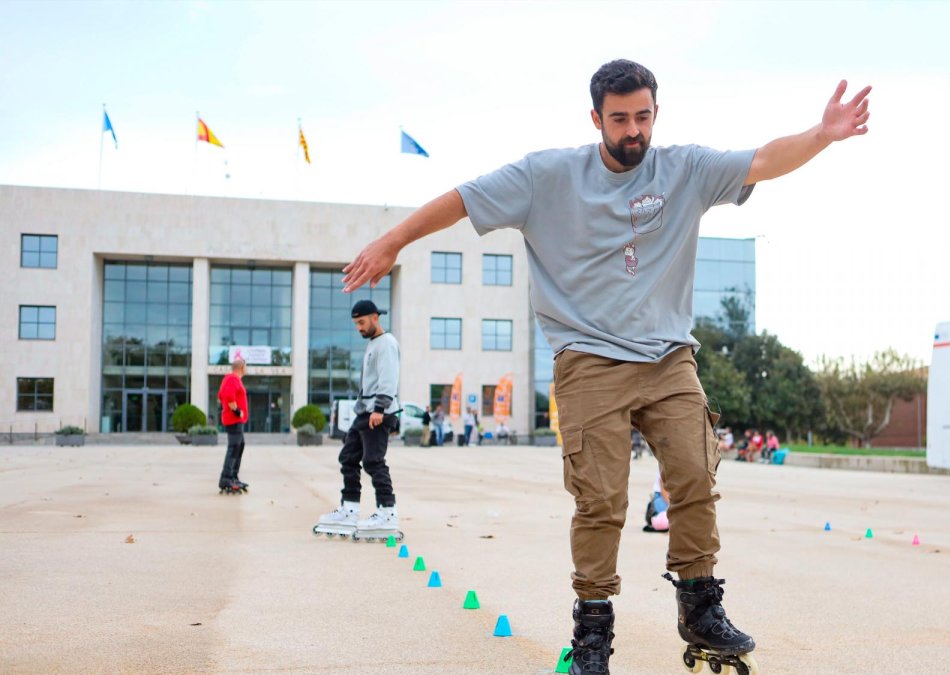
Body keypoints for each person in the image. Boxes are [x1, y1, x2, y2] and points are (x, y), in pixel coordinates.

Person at [341, 58, 870, 673]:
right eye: (619, 119)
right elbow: (462, 199)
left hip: (669, 357)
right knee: (602, 502)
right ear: (596, 119)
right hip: (588, 360)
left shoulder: (687, 169)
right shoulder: (548, 175)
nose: (633, 131)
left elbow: (760, 161)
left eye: (642, 117)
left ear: (655, 113)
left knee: (696, 472)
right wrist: (393, 241)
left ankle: (699, 604)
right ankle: (593, 630)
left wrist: (821, 135)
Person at [312, 300, 403, 543]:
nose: (359, 328)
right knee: (348, 457)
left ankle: (388, 512)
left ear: (375, 317)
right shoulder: (374, 344)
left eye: (362, 322)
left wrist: (380, 408)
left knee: (373, 461)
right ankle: (349, 509)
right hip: (365, 411)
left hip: (378, 412)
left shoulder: (387, 343)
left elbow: (389, 377)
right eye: (356, 324)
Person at [216, 358, 249, 494]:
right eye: (246, 367)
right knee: (234, 448)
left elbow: (220, 396)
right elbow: (228, 396)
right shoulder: (232, 379)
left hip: (236, 421)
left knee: (239, 446)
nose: (246, 369)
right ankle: (226, 478)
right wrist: (237, 411)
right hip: (234, 420)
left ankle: (233, 477)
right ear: (242, 367)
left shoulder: (233, 379)